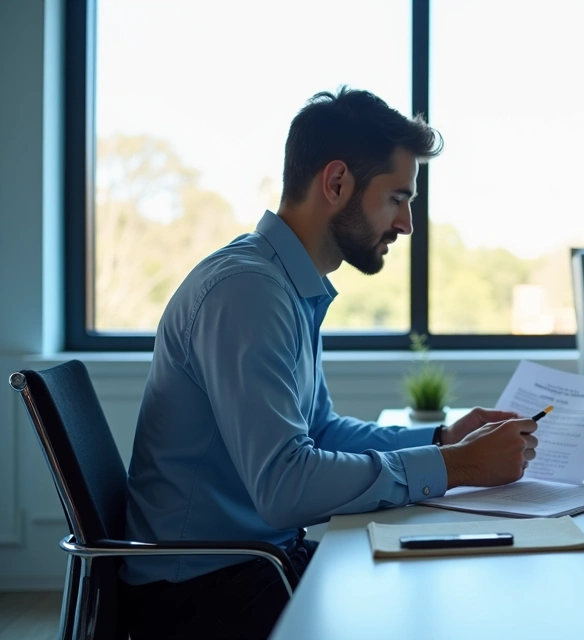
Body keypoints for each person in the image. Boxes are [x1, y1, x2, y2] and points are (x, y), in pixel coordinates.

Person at [120, 87, 538, 640]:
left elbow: (319, 431)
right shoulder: (247, 291)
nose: (407, 223)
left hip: (253, 563)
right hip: (203, 593)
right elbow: (286, 486)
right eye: (397, 198)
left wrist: (442, 440)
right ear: (337, 183)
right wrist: (458, 467)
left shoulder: (285, 285)